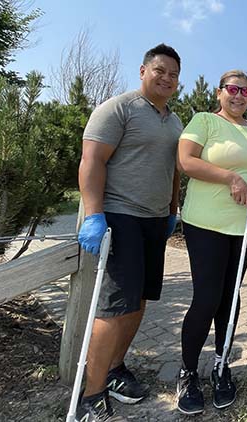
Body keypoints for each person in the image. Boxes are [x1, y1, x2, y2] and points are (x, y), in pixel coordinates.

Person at [76, 43, 183, 421]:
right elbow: (92, 161)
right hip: (120, 217)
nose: (167, 78)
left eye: (173, 74)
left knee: (139, 300)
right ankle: (91, 394)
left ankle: (116, 368)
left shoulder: (174, 121)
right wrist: (94, 214)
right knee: (114, 306)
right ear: (143, 71)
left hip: (156, 221)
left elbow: (173, 172)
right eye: (160, 71)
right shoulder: (118, 108)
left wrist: (172, 212)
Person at [176, 70, 247, 414]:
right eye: (232, 89)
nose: (239, 95)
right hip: (207, 224)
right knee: (207, 298)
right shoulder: (204, 121)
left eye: (245, 90)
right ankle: (188, 372)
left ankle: (221, 366)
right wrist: (230, 176)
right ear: (220, 93)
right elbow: (186, 161)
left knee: (230, 301)